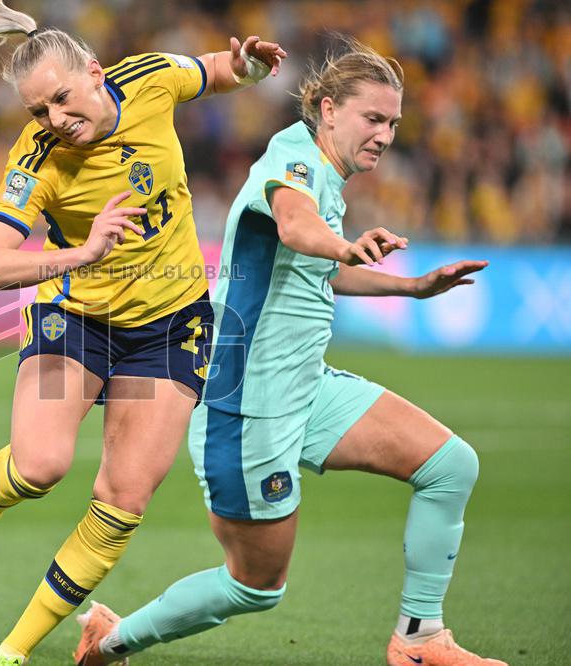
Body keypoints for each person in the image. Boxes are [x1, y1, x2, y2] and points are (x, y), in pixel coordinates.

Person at [74, 38, 507, 666]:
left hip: (308, 387)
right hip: (248, 407)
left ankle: (420, 640)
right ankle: (109, 641)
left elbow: (317, 265)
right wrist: (345, 244)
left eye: (393, 124)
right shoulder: (294, 156)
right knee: (254, 587)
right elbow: (297, 228)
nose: (385, 135)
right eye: (373, 118)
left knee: (451, 465)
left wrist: (411, 287)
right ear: (328, 110)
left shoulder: (329, 174)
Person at [0, 1, 286, 664]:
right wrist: (78, 256)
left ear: (93, 71)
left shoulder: (151, 78)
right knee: (39, 466)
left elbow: (217, 70)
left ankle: (12, 653)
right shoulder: (38, 159)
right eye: (38, 111)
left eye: (60, 98)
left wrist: (249, 67)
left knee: (123, 500)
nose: (54, 119)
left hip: (171, 325)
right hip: (77, 317)